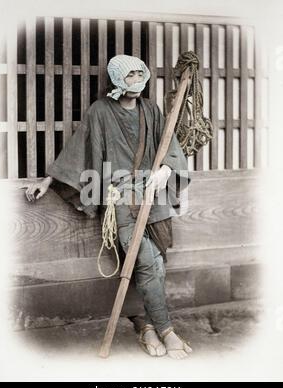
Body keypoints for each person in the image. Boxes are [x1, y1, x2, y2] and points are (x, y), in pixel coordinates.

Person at [25, 55, 192, 359]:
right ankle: (166, 329)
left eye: (140, 75)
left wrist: (167, 169)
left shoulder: (150, 109)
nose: (136, 82)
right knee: (146, 262)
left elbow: (170, 148)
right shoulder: (100, 111)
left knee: (156, 261)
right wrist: (49, 180)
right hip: (119, 199)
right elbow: (79, 147)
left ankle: (144, 325)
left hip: (152, 197)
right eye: (130, 77)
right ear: (117, 79)